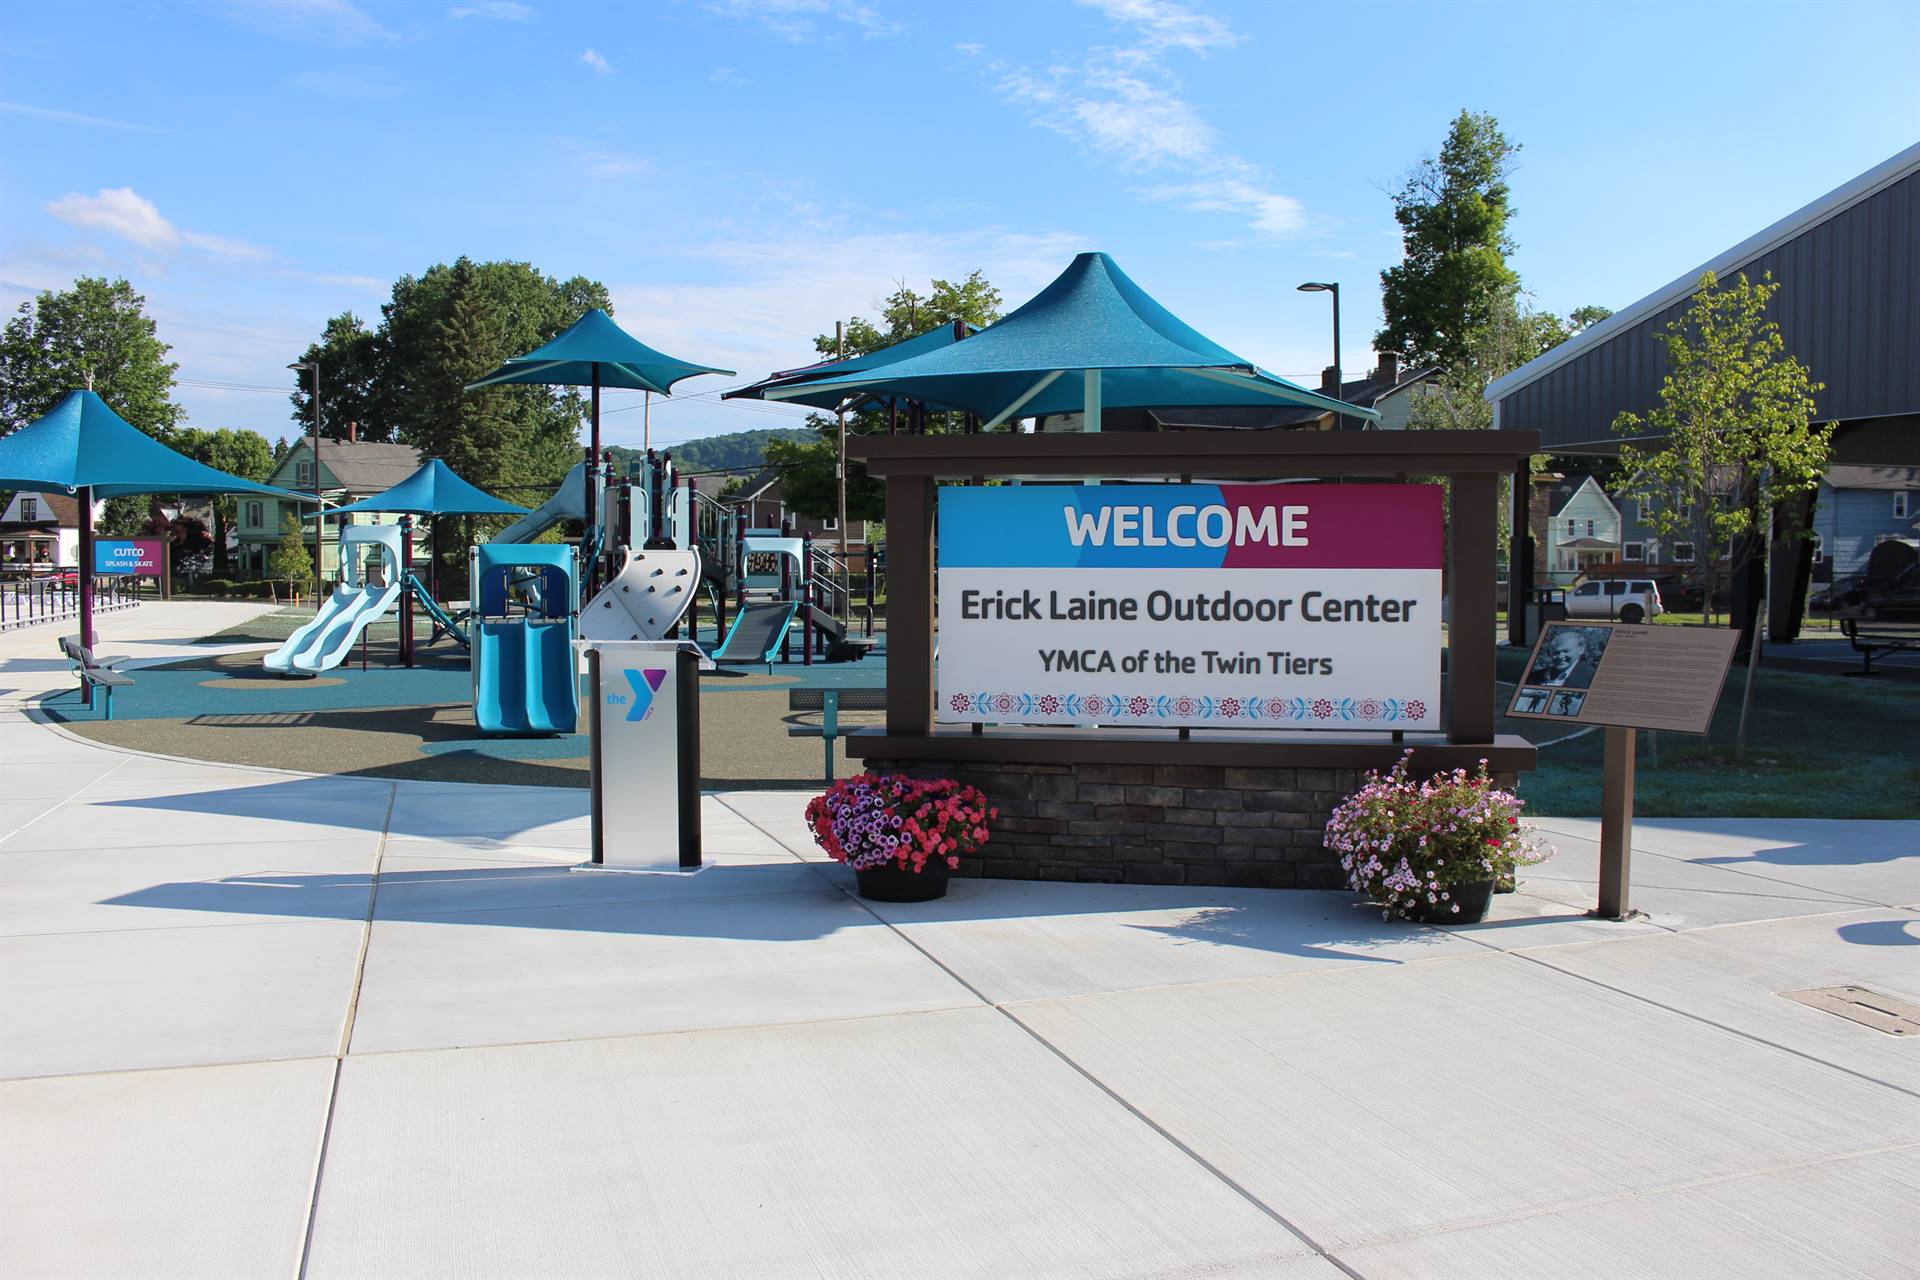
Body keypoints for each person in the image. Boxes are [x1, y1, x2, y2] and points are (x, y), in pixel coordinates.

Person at [1526, 626, 1607, 689]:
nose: (1560, 657)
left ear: (1581, 650)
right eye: (1556, 653)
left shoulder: (1592, 676)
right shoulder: (1535, 676)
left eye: (1566, 651)